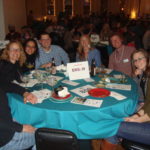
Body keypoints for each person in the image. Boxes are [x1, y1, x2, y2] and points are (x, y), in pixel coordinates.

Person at [101, 49, 150, 149]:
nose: (137, 62)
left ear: (148, 58)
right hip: (146, 115)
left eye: (140, 58)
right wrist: (136, 116)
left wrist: (137, 120)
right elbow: (147, 102)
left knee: (112, 127)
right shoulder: (146, 75)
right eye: (135, 60)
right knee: (113, 127)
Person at [0, 41, 37, 150]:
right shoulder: (4, 65)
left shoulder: (14, 64)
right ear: (7, 51)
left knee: (30, 121)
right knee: (42, 134)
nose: (15, 52)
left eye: (18, 49)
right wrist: (20, 128)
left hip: (7, 121)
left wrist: (24, 92)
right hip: (6, 139)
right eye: (12, 49)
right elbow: (4, 83)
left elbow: (6, 84)